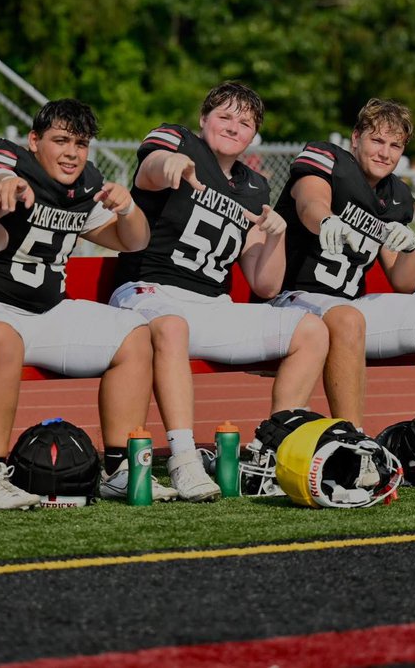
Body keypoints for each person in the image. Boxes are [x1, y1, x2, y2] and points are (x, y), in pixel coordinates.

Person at [0, 99, 167, 507]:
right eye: (61, 140)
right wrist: (6, 187)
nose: (72, 152)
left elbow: (133, 241)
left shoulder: (85, 184)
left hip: (42, 311)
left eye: (81, 143)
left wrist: (128, 208)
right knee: (3, 337)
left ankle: (120, 469)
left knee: (134, 334)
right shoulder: (6, 160)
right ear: (34, 141)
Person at [110, 81, 329, 501]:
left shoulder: (254, 186)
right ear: (203, 119)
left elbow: (265, 283)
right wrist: (170, 163)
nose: (233, 127)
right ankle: (184, 458)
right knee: (172, 326)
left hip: (212, 303)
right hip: (150, 291)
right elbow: (150, 168)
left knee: (311, 330)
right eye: (224, 116)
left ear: (254, 135)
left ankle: (273, 451)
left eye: (244, 123)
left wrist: (276, 234)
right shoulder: (179, 143)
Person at [269, 98, 415, 429]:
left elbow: (405, 282)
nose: (385, 153)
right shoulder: (328, 160)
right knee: (349, 319)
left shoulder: (397, 196)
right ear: (356, 138)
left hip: (349, 305)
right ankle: (354, 436)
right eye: (377, 140)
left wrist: (408, 247)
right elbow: (310, 200)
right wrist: (326, 220)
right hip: (294, 299)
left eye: (395, 145)